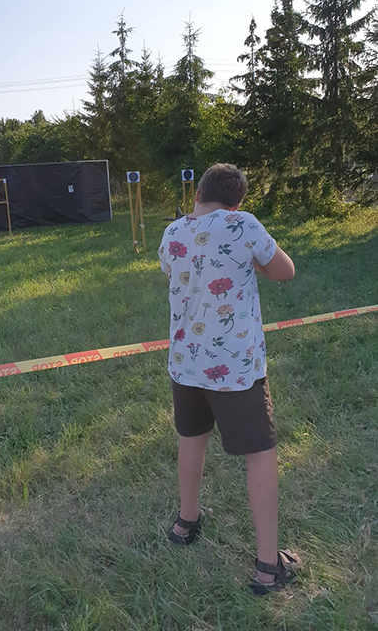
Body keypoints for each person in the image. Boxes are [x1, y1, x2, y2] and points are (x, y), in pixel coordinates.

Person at [158, 163, 301, 595]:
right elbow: (285, 270)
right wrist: (252, 262)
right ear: (236, 203)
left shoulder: (172, 232)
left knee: (191, 438)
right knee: (260, 453)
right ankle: (267, 567)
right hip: (235, 367)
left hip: (186, 362)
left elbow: (175, 271)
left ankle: (186, 523)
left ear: (198, 194)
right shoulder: (244, 225)